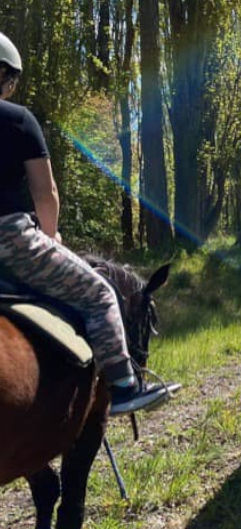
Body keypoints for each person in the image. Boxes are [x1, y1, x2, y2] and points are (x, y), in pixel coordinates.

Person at [0, 32, 167, 415]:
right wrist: (50, 237)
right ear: (3, 75)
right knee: (100, 294)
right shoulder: (18, 120)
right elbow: (46, 193)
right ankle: (125, 386)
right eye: (9, 80)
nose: (11, 88)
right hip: (12, 241)